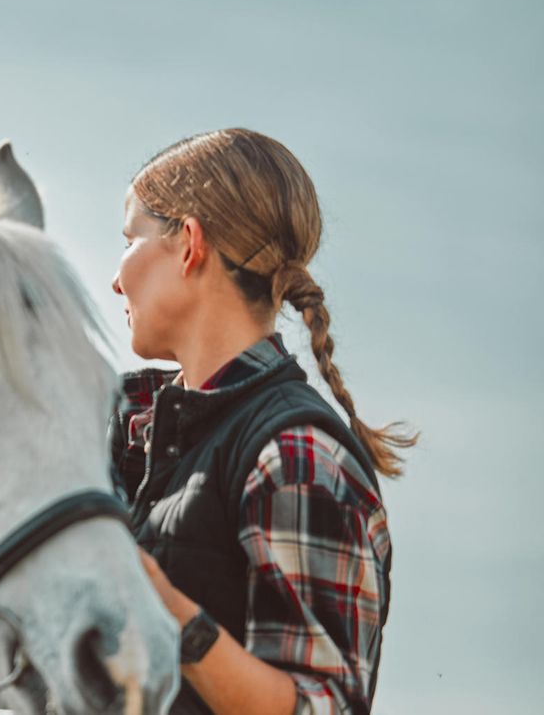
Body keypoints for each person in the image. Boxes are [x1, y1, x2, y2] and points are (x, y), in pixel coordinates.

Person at [108, 128, 412, 714]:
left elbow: (320, 707)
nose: (116, 279)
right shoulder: (129, 431)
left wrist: (166, 611)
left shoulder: (296, 452)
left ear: (189, 243)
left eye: (130, 239)